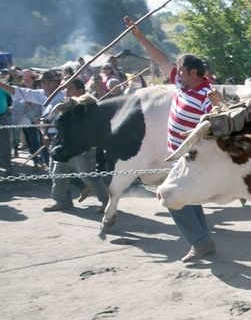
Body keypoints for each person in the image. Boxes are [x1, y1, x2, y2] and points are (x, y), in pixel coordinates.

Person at [124, 16, 216, 263]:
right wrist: (140, 36)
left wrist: (220, 104)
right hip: (177, 155)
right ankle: (203, 240)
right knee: (186, 197)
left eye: (183, 72)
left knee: (170, 195)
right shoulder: (181, 83)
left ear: (194, 73)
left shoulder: (208, 95)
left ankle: (201, 243)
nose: (178, 75)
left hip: (194, 156)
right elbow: (160, 58)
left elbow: (220, 121)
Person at [0, 72, 107, 211]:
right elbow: (42, 117)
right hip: (57, 141)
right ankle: (62, 201)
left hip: (77, 142)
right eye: (44, 82)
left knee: (86, 174)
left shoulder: (68, 98)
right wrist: (45, 134)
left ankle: (106, 201)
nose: (46, 85)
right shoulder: (42, 95)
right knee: (56, 173)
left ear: (58, 83)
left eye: (49, 82)